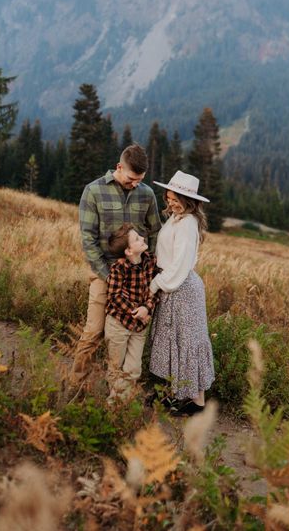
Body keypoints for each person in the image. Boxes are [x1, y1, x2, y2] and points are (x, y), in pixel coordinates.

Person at [71, 144, 161, 383]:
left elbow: (154, 234)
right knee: (93, 332)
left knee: (133, 333)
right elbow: (88, 240)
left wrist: (148, 271)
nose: (135, 183)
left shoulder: (147, 195)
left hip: (137, 278)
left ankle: (120, 392)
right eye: (132, 178)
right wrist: (109, 275)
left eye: (140, 179)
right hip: (105, 274)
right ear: (119, 167)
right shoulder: (93, 191)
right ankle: (75, 389)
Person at [148, 170, 215, 416]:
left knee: (188, 343)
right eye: (168, 198)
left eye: (175, 199)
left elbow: (179, 265)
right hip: (172, 285)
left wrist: (156, 283)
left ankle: (195, 404)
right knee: (174, 341)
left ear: (189, 201)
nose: (171, 203)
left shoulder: (187, 223)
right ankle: (173, 396)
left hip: (180, 287)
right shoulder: (177, 218)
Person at [104, 223, 159, 401]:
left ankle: (116, 404)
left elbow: (153, 290)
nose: (143, 238)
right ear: (128, 251)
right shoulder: (119, 268)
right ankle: (114, 403)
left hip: (139, 325)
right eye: (137, 239)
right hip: (118, 323)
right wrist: (136, 310)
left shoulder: (150, 261)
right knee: (115, 366)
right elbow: (114, 295)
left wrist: (147, 308)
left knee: (134, 369)